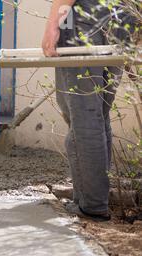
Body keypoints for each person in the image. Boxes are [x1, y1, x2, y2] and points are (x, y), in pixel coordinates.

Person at [42, 0, 134, 220]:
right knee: (99, 115)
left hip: (84, 18)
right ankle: (89, 195)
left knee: (85, 116)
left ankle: (92, 204)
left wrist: (53, 24)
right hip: (122, 17)